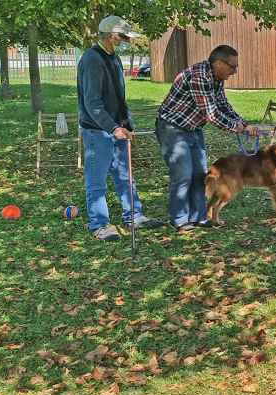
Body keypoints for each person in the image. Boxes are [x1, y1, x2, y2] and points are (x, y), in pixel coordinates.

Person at [77, 15, 166, 242]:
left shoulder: (113, 58)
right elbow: (92, 103)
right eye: (124, 37)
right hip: (98, 130)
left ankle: (134, 216)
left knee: (126, 176)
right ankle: (99, 225)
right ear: (111, 36)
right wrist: (113, 127)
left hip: (117, 127)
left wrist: (125, 124)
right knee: (97, 180)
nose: (127, 41)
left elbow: (118, 96)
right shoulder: (92, 59)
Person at [156, 45, 260, 233]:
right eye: (233, 67)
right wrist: (235, 128)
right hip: (172, 129)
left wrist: (245, 124)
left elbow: (223, 105)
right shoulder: (199, 76)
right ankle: (179, 220)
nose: (235, 71)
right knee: (182, 174)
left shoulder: (217, 77)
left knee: (200, 174)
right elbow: (211, 114)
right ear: (219, 63)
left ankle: (199, 218)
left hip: (194, 129)